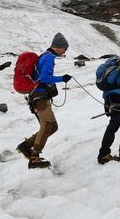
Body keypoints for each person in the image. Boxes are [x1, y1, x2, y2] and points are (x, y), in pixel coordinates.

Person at [16, 32, 72, 169]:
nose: (65, 51)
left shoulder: (44, 57)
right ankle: (34, 158)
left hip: (39, 95)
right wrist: (62, 78)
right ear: (59, 46)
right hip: (40, 95)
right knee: (47, 125)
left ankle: (26, 146)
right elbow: (45, 78)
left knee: (53, 126)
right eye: (65, 48)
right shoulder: (49, 58)